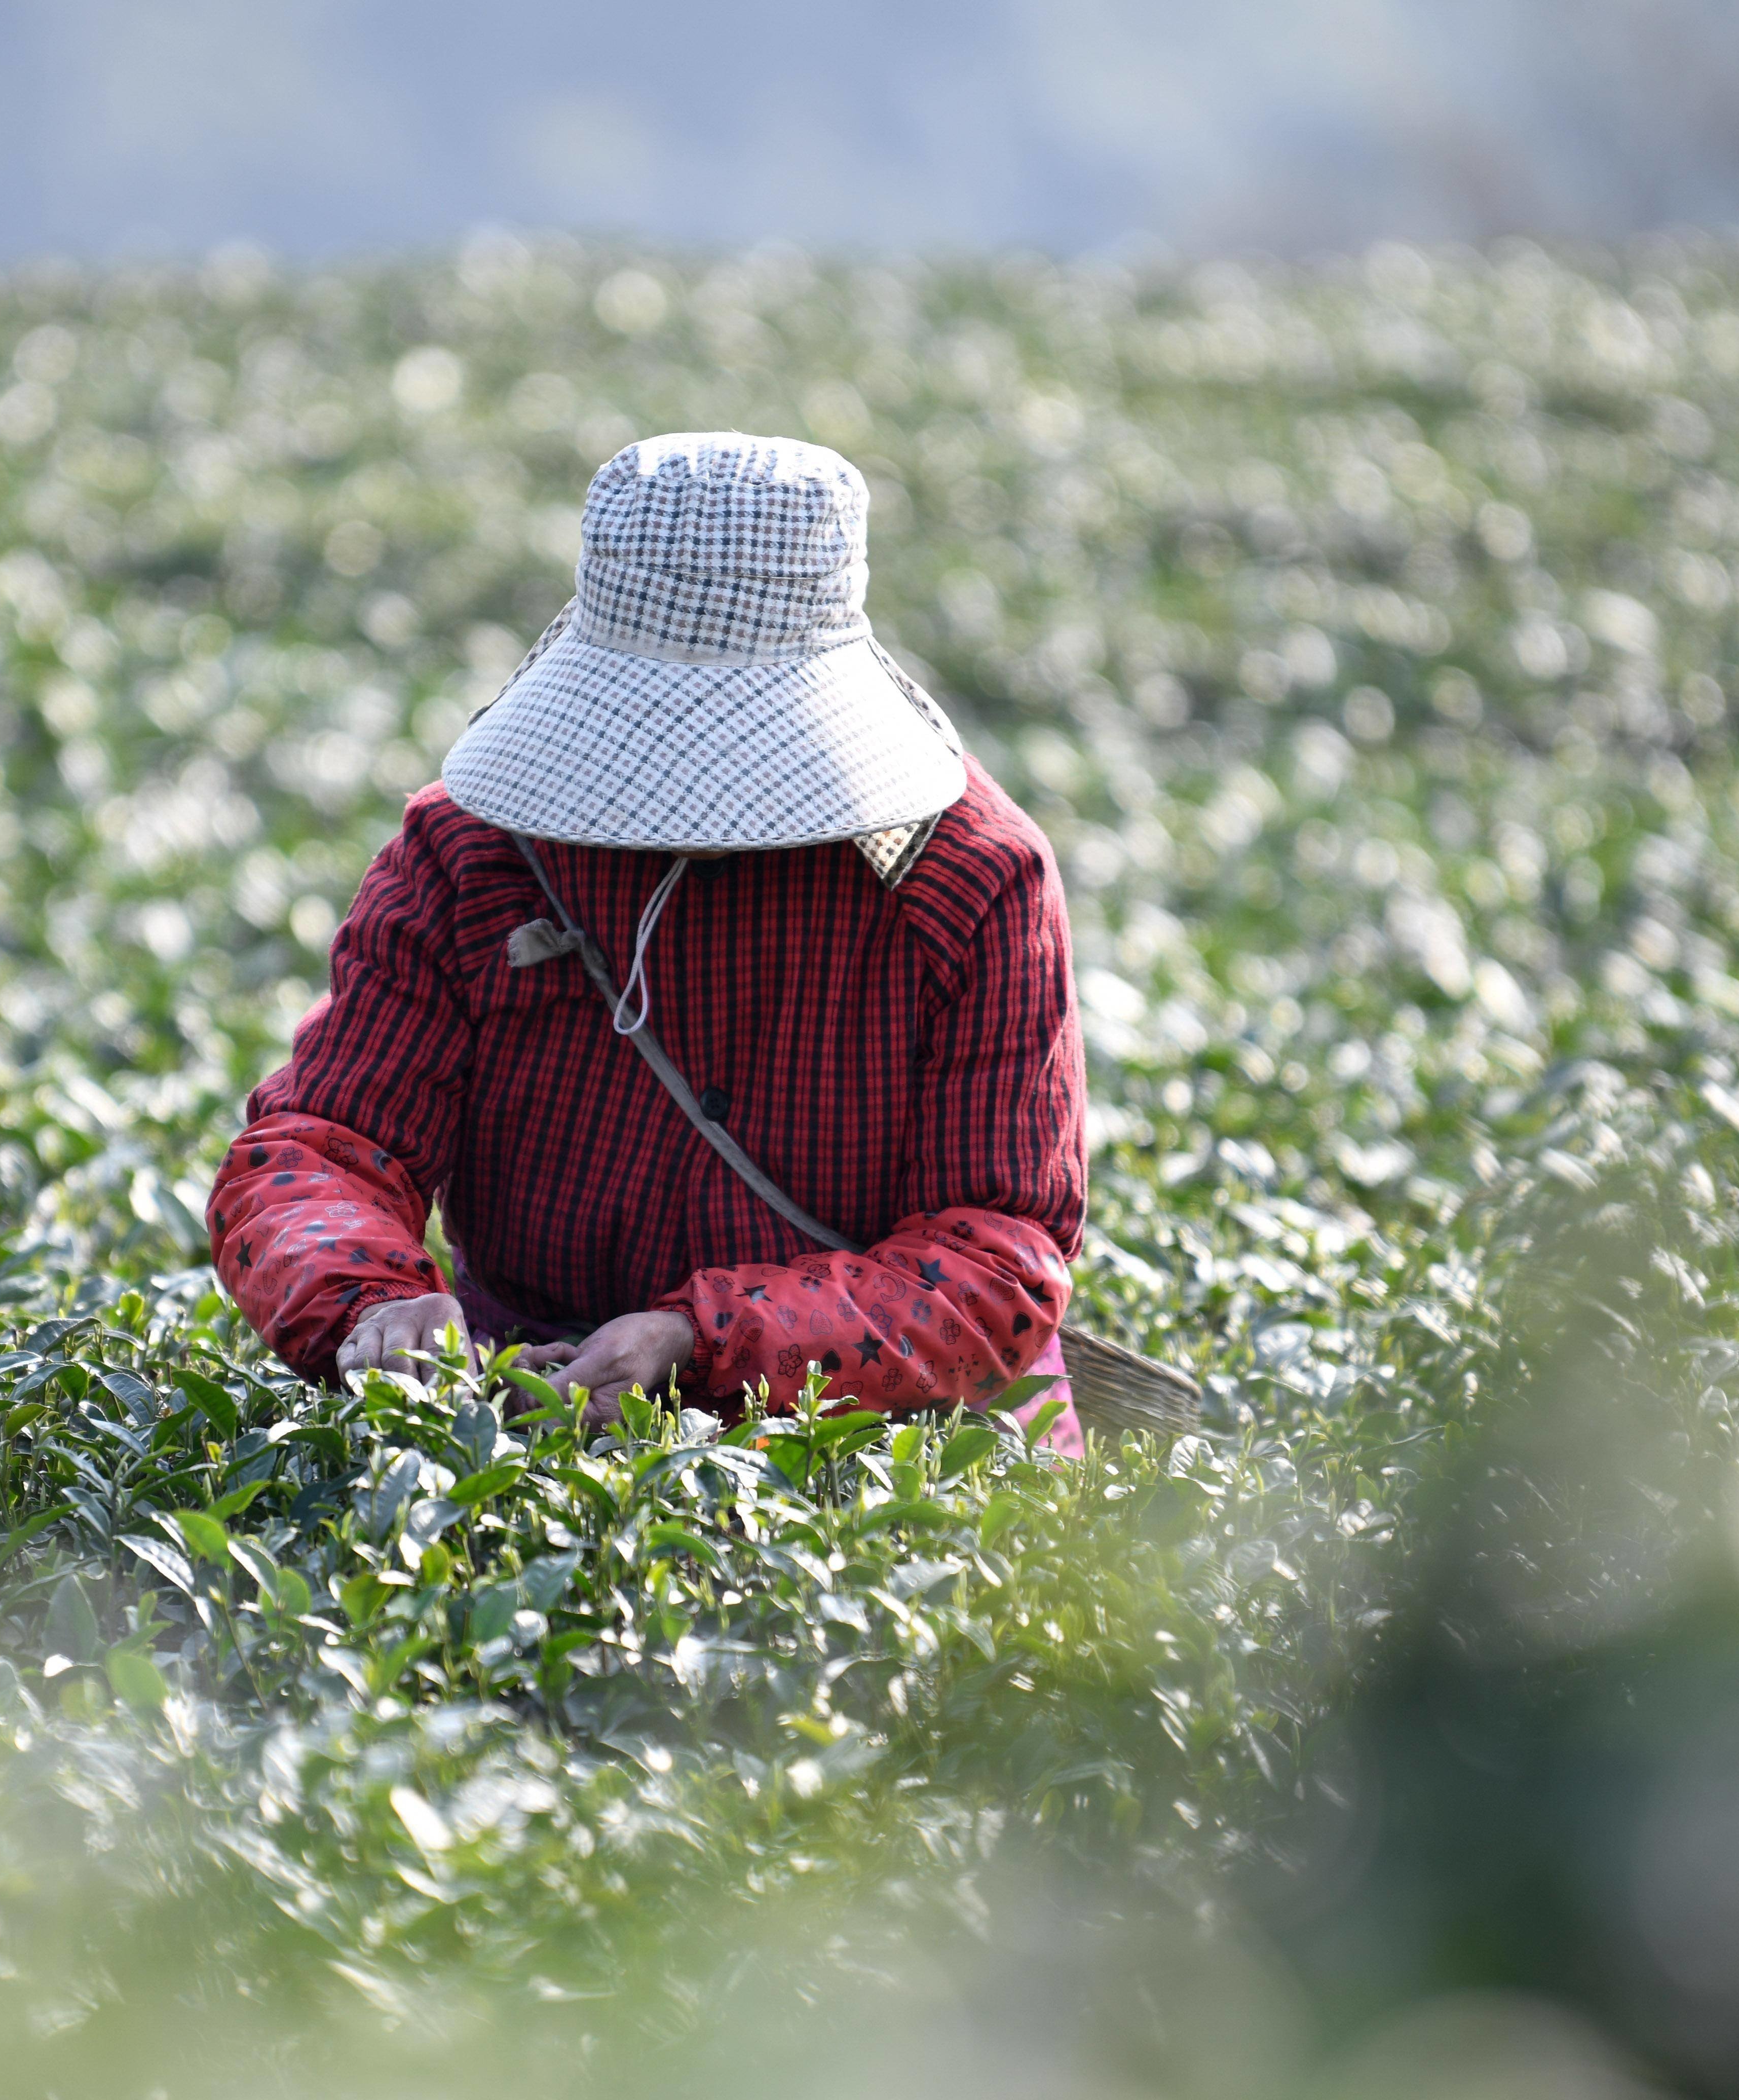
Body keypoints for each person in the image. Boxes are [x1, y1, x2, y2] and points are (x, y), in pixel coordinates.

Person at [206, 432, 1085, 1442]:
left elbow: (994, 1258)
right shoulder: (472, 852)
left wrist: (704, 1339)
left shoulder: (965, 877)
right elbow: (320, 1146)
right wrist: (370, 1300)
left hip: (877, 1434)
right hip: (521, 1408)